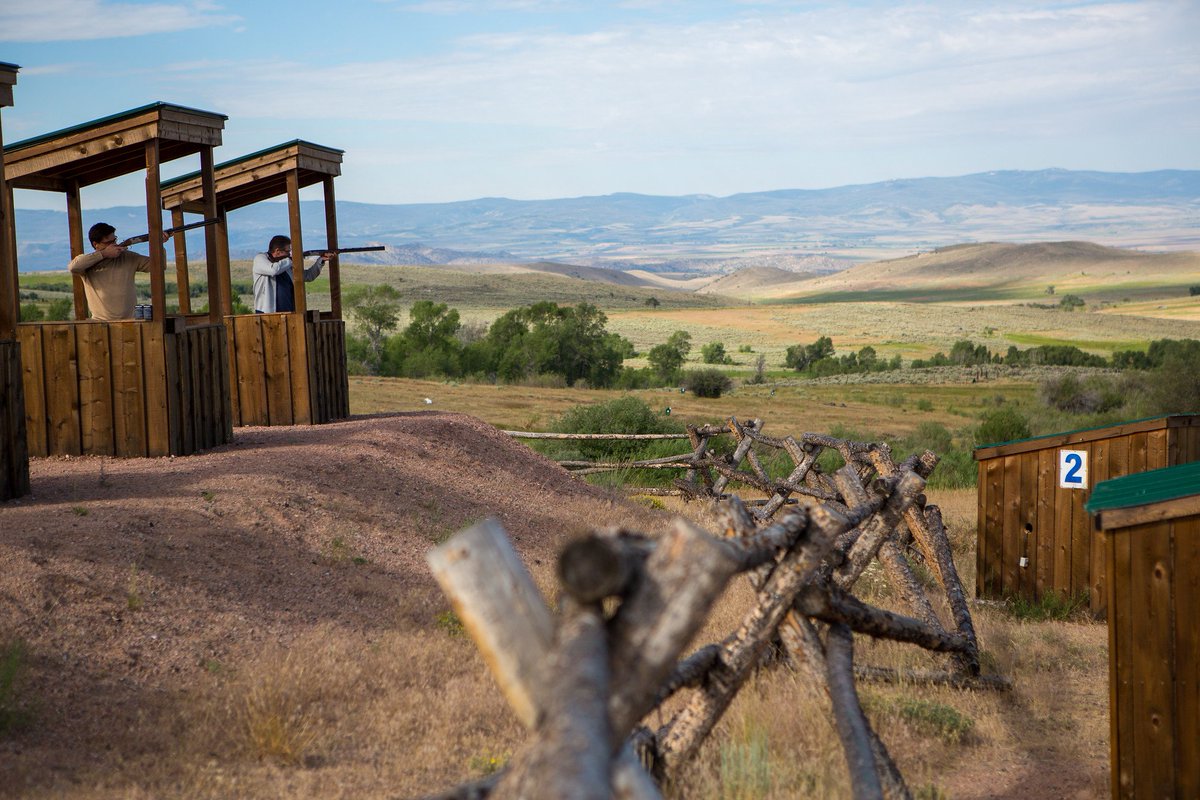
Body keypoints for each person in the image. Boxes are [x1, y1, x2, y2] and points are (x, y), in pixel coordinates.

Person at [67, 222, 167, 321]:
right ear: (95, 244)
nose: (114, 244)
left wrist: (158, 244)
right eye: (108, 243)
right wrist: (104, 254)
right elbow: (73, 267)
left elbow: (159, 266)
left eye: (114, 240)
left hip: (131, 322)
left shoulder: (128, 257)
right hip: (100, 323)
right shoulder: (88, 263)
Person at [252, 235, 331, 313]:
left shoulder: (285, 264)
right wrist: (292, 259)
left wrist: (321, 260)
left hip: (289, 311)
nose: (289, 254)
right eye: (287, 251)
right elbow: (273, 270)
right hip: (266, 312)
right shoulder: (260, 258)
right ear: (277, 251)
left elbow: (308, 276)